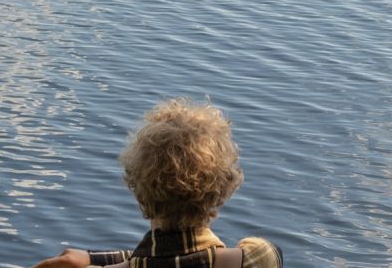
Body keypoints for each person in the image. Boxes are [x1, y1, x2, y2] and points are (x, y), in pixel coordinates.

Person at [31, 99, 283, 268]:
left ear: (136, 184)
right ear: (224, 187)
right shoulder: (256, 259)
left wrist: (92, 259)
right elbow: (177, 259)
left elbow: (156, 259)